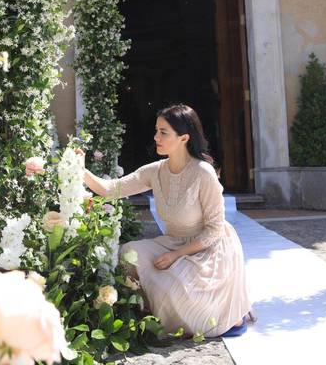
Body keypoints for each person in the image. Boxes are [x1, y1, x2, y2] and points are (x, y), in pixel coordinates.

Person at [79, 104, 255, 338]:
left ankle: (225, 307)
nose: (156, 137)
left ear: (184, 138)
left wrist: (177, 254)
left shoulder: (204, 173)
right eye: (156, 130)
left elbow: (214, 230)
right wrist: (79, 169)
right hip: (173, 241)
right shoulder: (155, 171)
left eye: (163, 132)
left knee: (175, 289)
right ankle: (143, 314)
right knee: (129, 254)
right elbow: (111, 189)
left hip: (208, 249)